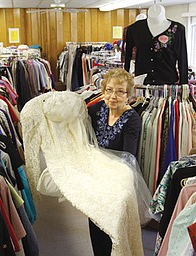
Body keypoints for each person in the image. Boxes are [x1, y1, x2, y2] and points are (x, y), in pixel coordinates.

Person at [87, 68, 142, 255]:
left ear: (128, 95)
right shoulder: (96, 109)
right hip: (94, 178)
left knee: (113, 230)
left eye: (120, 91)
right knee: (95, 224)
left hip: (117, 181)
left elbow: (128, 156)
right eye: (109, 90)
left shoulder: (132, 119)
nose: (113, 96)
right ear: (103, 90)